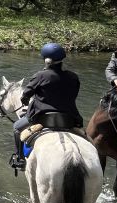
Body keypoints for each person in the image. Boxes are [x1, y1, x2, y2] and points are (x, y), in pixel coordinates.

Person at [9, 42, 84, 170]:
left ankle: (20, 159)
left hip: (42, 118)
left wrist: (27, 102)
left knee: (16, 128)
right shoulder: (73, 77)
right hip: (69, 119)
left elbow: (25, 96)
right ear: (62, 59)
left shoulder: (40, 76)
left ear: (46, 60)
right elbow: (73, 95)